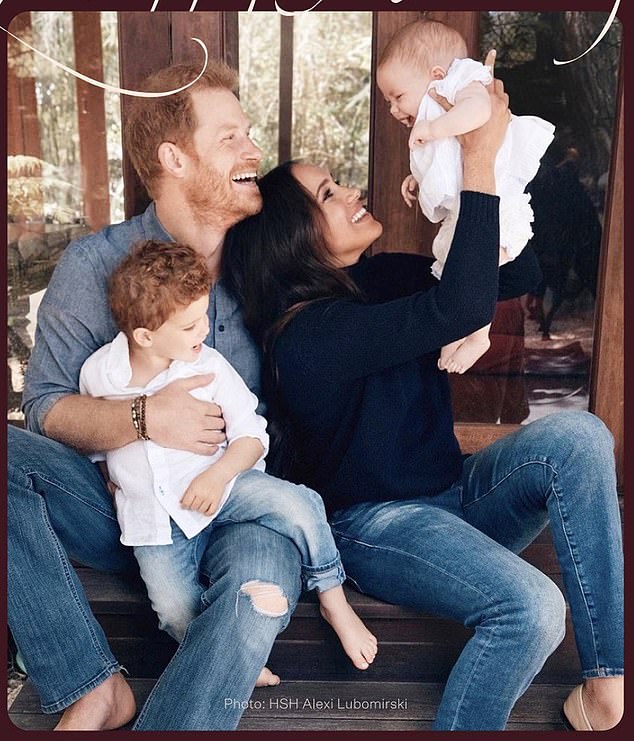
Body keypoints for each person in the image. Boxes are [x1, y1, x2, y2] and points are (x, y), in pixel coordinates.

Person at [222, 70, 623, 730]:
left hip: (457, 496)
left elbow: (515, 274)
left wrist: (456, 201)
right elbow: (458, 305)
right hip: (379, 525)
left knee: (579, 438)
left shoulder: (381, 278)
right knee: (531, 607)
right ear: (295, 239)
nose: (351, 192)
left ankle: (607, 683)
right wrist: (474, 155)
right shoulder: (305, 337)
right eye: (329, 192)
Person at [9, 61, 312, 732]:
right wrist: (144, 419)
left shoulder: (270, 264)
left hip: (241, 507)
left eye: (249, 132)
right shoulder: (94, 265)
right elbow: (45, 408)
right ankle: (89, 684)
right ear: (174, 157)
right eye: (230, 135)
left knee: (254, 594)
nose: (253, 150)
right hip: (128, 512)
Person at [79, 239, 377, 675]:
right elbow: (95, 436)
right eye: (189, 325)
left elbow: (253, 435)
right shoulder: (100, 374)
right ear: (144, 335)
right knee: (171, 607)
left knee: (300, 504)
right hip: (155, 520)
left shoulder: (209, 366)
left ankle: (334, 599)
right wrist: (107, 470)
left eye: (204, 316)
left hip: (226, 485)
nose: (203, 330)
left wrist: (218, 476)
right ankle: (226, 653)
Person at [376, 19, 555, 374]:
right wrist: (418, 177)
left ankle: (478, 335)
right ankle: (459, 329)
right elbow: (449, 160)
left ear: (437, 74)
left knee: (478, 267)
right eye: (388, 102)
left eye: (398, 97)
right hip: (470, 204)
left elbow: (480, 112)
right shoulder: (437, 108)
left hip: (498, 201)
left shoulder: (463, 82)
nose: (395, 110)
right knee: (455, 268)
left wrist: (434, 127)